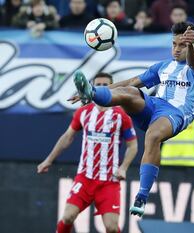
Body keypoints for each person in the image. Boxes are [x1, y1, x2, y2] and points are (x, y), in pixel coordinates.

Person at [70, 21, 194, 217]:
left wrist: (191, 49)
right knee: (129, 91)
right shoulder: (163, 66)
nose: (176, 49)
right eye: (174, 44)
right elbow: (130, 81)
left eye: (183, 45)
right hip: (154, 106)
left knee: (153, 136)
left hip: (176, 114)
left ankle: (142, 196)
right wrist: (95, 92)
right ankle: (90, 93)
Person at [38, 73, 138, 233]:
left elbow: (133, 145)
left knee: (112, 228)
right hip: (85, 177)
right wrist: (48, 160)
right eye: (99, 84)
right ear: (92, 87)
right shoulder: (83, 112)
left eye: (106, 85)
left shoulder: (121, 115)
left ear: (113, 87)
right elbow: (67, 137)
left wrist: (124, 167)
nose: (103, 87)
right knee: (68, 217)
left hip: (109, 180)